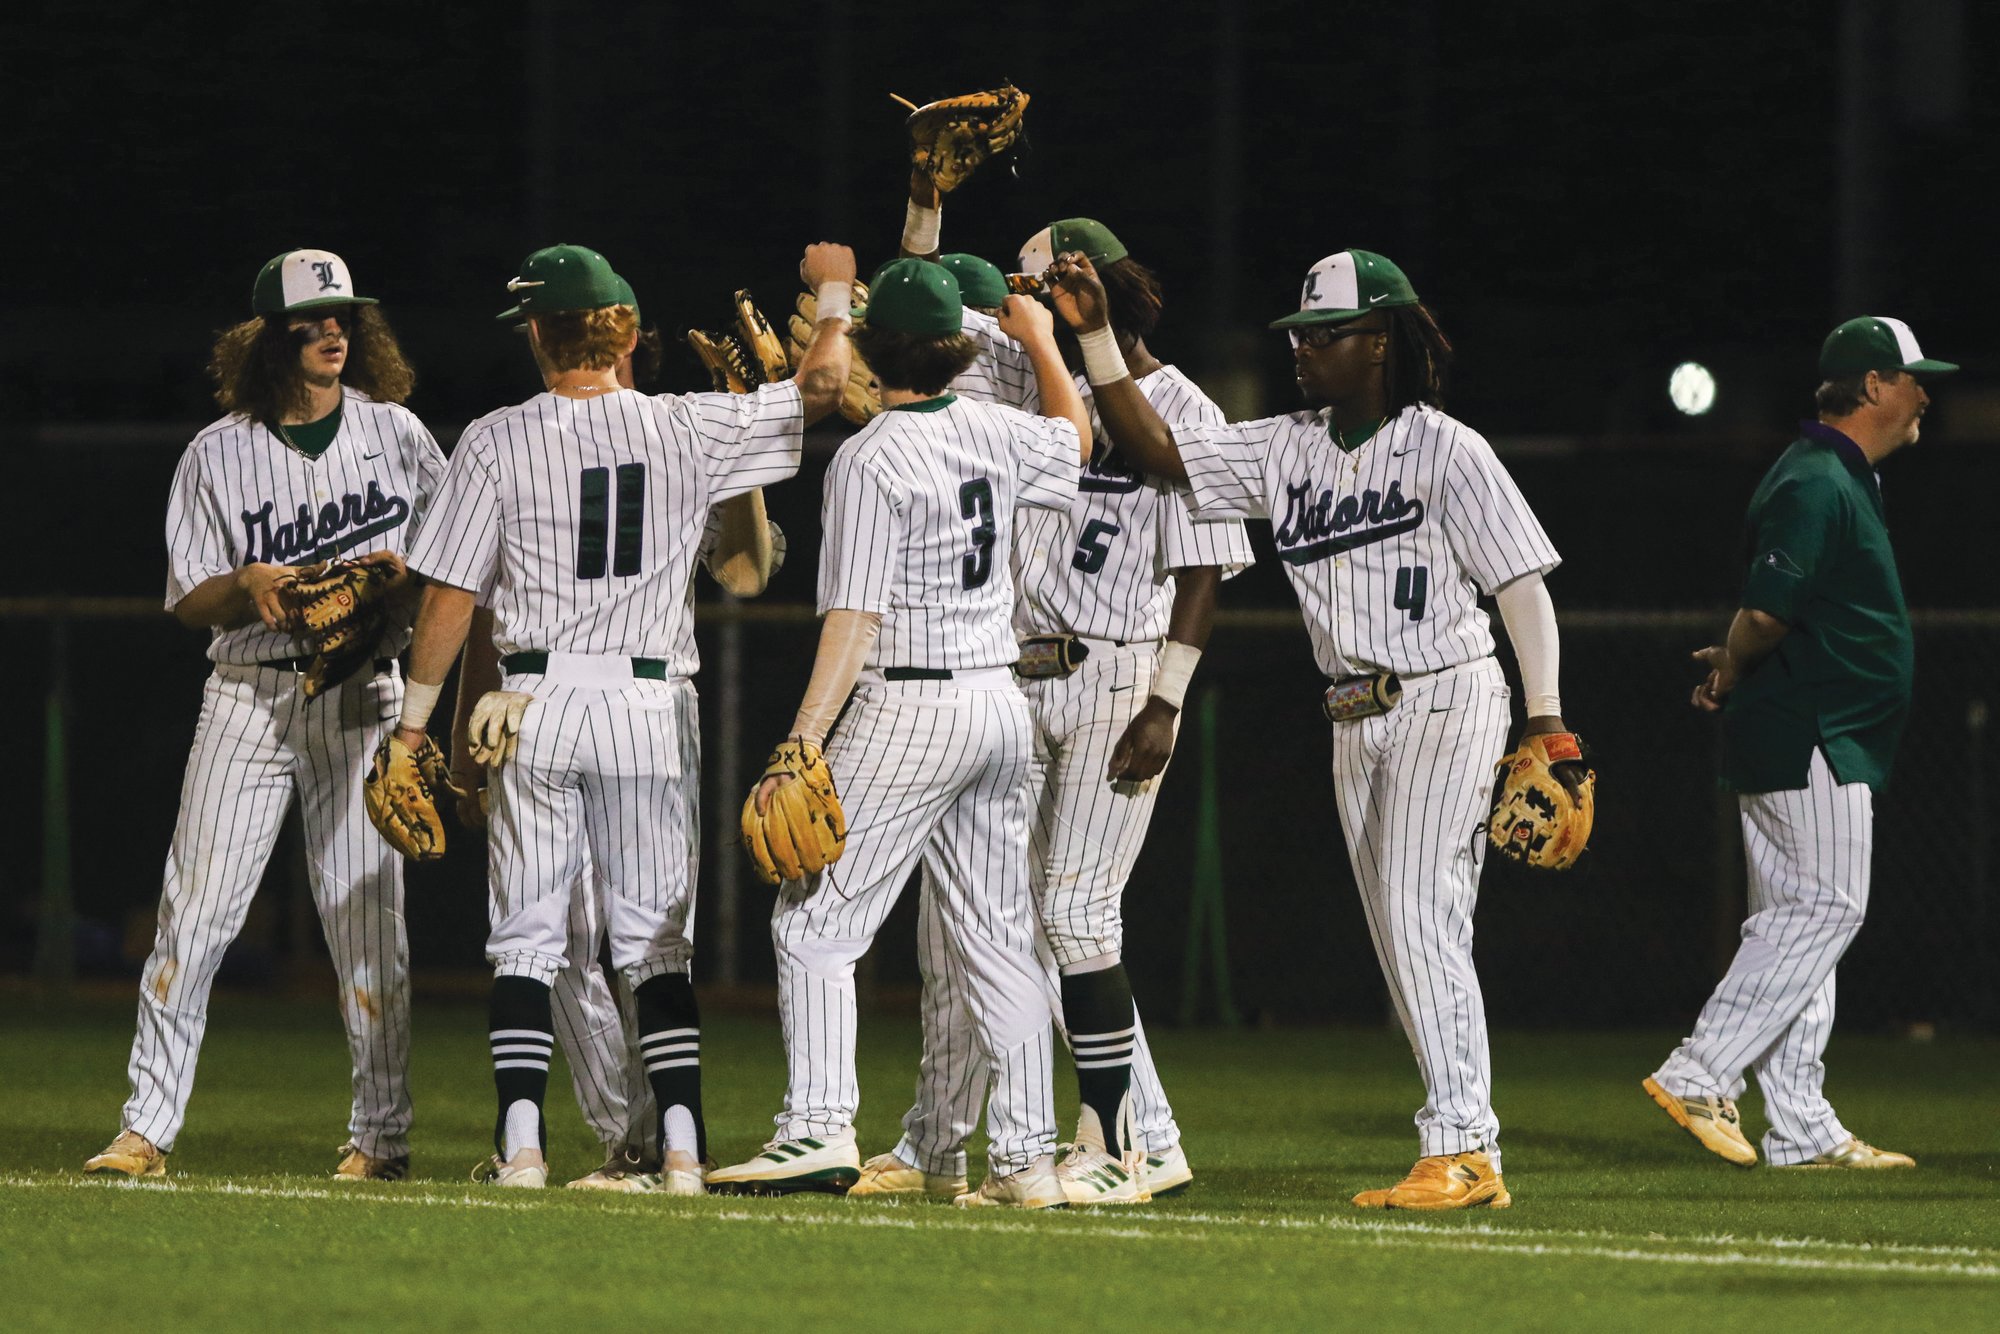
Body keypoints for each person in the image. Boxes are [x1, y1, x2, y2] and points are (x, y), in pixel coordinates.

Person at [1057, 246, 1577, 1211]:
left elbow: (1522, 587)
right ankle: (1461, 1142)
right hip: (1351, 715)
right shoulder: (1286, 445)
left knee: (1423, 917)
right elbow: (1157, 450)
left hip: (1445, 695)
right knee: (1401, 933)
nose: (1303, 350)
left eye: (1325, 334)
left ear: (1379, 341)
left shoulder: (1445, 447)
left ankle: (1464, 1146)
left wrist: (1546, 722)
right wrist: (1093, 337)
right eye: (1299, 334)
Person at [396, 241, 855, 1193]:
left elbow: (449, 597)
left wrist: (411, 728)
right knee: (656, 947)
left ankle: (522, 1147)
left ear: (535, 334)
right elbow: (822, 387)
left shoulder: (494, 437)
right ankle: (682, 1150)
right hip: (649, 705)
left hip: (529, 703)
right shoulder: (689, 427)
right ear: (629, 334)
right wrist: (835, 289)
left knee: (526, 939)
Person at [852, 199, 1254, 1205]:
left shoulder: (1186, 408)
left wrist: (1164, 700)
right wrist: (921, 215)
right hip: (1010, 673)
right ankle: (996, 1140)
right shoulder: (1017, 377)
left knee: (1074, 911)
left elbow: (1205, 565)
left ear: (1104, 286)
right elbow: (918, 331)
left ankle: (1129, 1141)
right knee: (985, 922)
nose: (1024, 306)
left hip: (1116, 671)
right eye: (1023, 294)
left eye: (1042, 288)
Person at [706, 259, 1091, 1208]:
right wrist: (1043, 341)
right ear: (959, 350)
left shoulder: (871, 456)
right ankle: (1029, 1161)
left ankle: (817, 1130)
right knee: (1000, 943)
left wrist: (803, 739)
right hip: (1000, 705)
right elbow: (1076, 440)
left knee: (814, 924)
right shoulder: (997, 429)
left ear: (876, 353)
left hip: (910, 704)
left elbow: (854, 619)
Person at [86, 250, 443, 1182]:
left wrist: (408, 595)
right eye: (315, 321)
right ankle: (146, 1129)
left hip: (368, 694)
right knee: (195, 916)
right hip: (250, 697)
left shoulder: (398, 435)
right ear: (269, 340)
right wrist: (245, 585)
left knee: (369, 928)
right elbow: (188, 600)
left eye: (345, 321)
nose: (335, 333)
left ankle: (383, 1137)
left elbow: (456, 569)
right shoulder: (215, 452)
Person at [1643, 317, 1955, 1171]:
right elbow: (1770, 610)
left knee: (1797, 922)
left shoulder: (1837, 475)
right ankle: (1700, 1070)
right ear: (1872, 387)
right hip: (1814, 729)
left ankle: (1801, 1127)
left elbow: (1778, 614)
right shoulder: (1818, 480)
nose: (1926, 391)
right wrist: (1739, 659)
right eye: (1912, 377)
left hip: (1813, 724)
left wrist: (1737, 662)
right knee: (1825, 909)